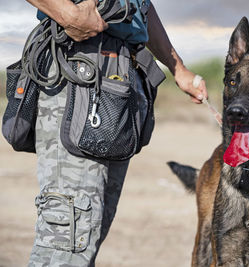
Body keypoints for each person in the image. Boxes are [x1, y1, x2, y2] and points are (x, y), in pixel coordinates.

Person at [24, 0, 208, 265]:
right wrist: (67, 12)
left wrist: (178, 69)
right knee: (69, 239)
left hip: (120, 75)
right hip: (78, 66)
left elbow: (141, 5)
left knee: (89, 232)